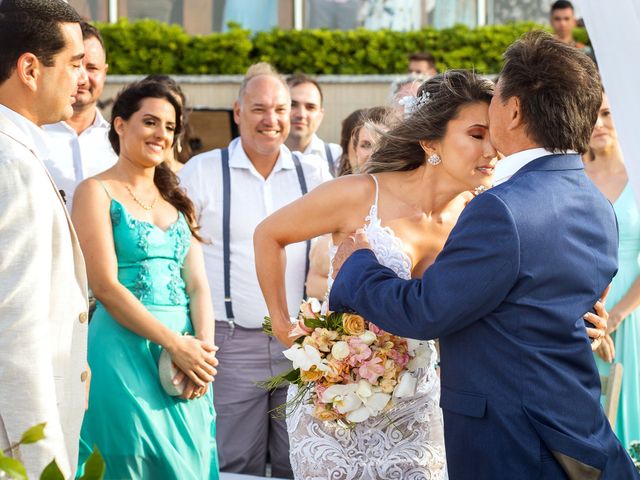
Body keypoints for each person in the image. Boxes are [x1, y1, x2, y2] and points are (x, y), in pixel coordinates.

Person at [254, 68, 610, 479]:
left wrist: (580, 318)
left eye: (494, 135)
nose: (492, 149)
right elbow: (269, 235)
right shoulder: (358, 194)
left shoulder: (485, 215)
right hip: (336, 404)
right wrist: (283, 326)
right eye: (477, 135)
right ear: (430, 141)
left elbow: (530, 288)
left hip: (421, 407)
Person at [329, 32, 638, 478]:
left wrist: (358, 264)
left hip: (509, 442)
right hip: (577, 430)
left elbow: (427, 311)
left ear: (512, 110)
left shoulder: (502, 209)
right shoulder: (598, 205)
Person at [178, 62, 332, 478]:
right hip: (231, 343)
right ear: (238, 112)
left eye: (281, 109)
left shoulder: (314, 174)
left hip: (303, 345)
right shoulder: (202, 172)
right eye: (260, 108)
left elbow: (331, 255)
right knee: (234, 463)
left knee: (301, 460)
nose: (273, 120)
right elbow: (180, 259)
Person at [72, 80, 219, 478]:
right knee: (129, 459)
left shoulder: (177, 201)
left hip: (185, 359)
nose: (161, 134)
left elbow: (198, 285)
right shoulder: (95, 192)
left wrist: (202, 353)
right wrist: (175, 344)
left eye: (170, 127)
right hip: (122, 350)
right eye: (150, 122)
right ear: (120, 125)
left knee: (187, 463)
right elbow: (103, 285)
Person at [0, 1, 88, 478]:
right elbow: (15, 330)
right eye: (74, 63)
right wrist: (40, 466)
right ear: (30, 68)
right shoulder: (12, 165)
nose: (84, 78)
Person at [586, 93, 640, 448]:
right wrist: (592, 322)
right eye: (591, 115)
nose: (600, 123)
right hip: (584, 314)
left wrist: (616, 317)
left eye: (607, 113)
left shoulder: (637, 174)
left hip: (632, 313)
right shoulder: (572, 173)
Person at [306, 106, 392, 300]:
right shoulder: (339, 197)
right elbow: (313, 283)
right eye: (365, 145)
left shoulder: (409, 203)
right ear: (354, 150)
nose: (374, 153)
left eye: (383, 144)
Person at [43, 21, 117, 210]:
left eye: (92, 68)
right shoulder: (33, 136)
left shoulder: (120, 141)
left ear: (105, 72)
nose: (82, 78)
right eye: (75, 66)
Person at [286, 74, 342, 177]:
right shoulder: (258, 157)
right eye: (292, 105)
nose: (301, 114)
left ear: (321, 115)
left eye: (310, 107)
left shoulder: (338, 158)